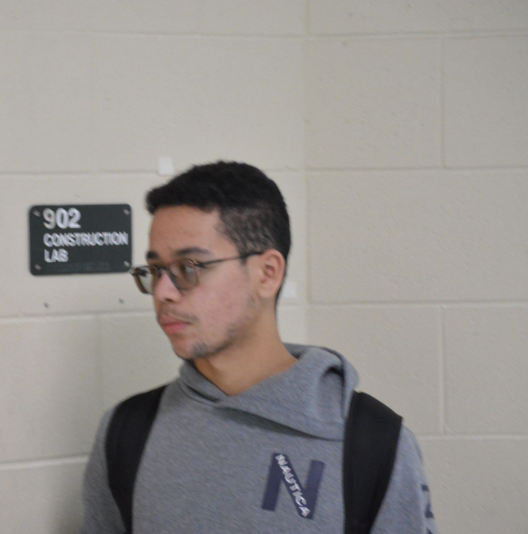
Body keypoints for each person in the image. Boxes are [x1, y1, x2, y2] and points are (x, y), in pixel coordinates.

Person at [78, 161, 437, 533]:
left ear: (268, 273)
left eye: (189, 267)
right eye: (154, 271)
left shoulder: (373, 444)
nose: (163, 292)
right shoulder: (126, 432)